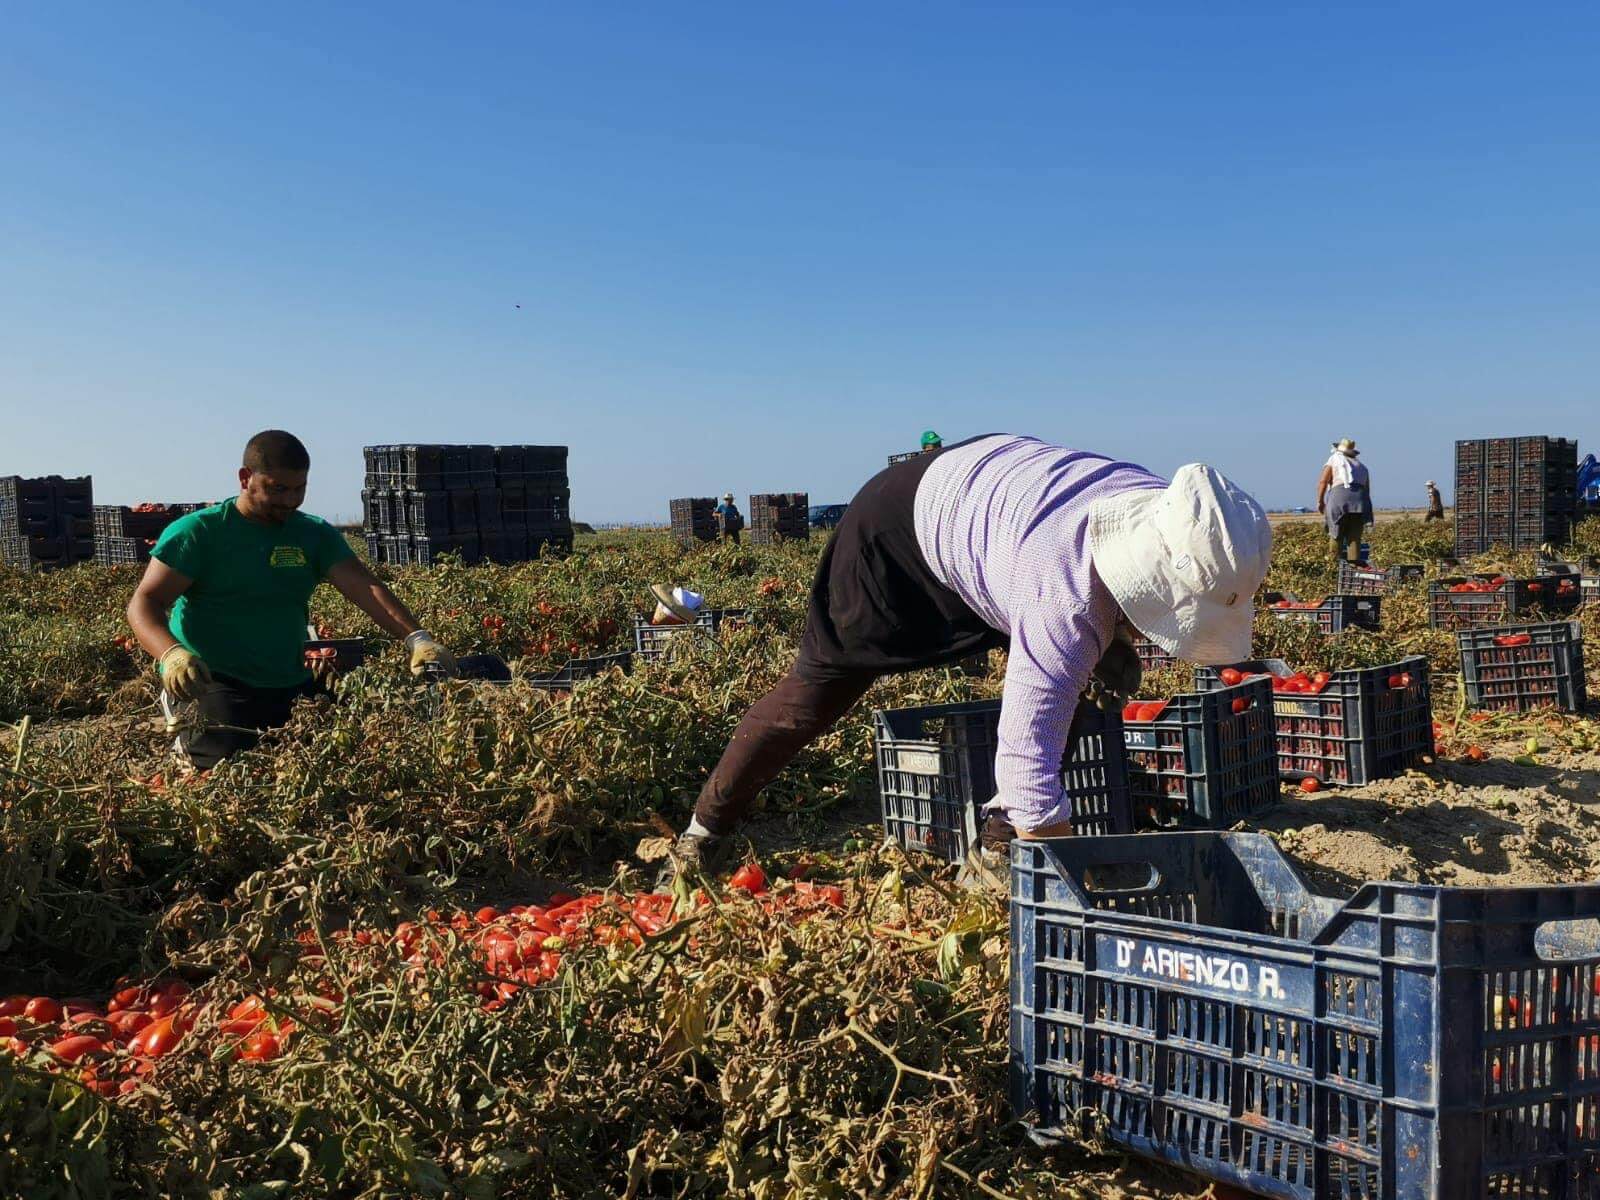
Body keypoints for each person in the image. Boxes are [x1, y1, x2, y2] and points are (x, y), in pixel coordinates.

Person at [659, 434, 1272, 881]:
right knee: (818, 692)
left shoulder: (1160, 507)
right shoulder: (1064, 599)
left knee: (1093, 673)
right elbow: (1031, 778)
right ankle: (703, 830)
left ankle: (995, 843)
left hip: (990, 507)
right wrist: (1085, 887)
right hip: (896, 533)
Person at [126, 430, 458, 769]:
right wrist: (171, 654)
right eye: (278, 489)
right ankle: (184, 726)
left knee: (346, 757)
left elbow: (365, 587)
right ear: (245, 478)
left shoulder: (312, 534)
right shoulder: (199, 533)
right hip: (215, 679)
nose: (289, 500)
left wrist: (417, 638)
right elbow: (145, 603)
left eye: (299, 489)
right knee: (228, 766)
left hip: (288, 678)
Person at [1316, 438, 1372, 563]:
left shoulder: (1335, 459)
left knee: (1336, 532)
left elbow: (1323, 481)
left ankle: (1333, 564)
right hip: (1360, 502)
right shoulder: (1362, 467)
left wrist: (1320, 501)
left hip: (1339, 499)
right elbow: (1367, 490)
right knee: (1354, 537)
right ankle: (1353, 565)